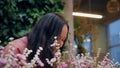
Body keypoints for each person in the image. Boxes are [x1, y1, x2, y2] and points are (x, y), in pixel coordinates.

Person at [4, 13, 69, 68]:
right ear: (46, 34)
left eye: (63, 40)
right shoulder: (16, 50)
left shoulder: (51, 55)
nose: (60, 44)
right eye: (57, 38)